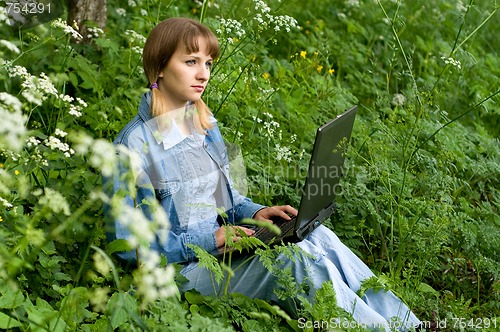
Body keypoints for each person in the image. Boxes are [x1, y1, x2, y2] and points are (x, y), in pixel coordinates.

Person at [107, 17, 421, 331]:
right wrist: (210, 240)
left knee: (318, 236)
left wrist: (257, 214)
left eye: (208, 63)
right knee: (292, 262)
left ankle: (408, 325)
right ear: (160, 67)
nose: (203, 74)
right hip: (178, 275)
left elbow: (229, 202)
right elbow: (127, 247)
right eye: (191, 62)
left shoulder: (204, 123)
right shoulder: (134, 146)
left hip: (221, 254)